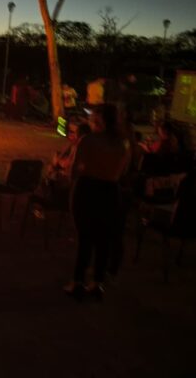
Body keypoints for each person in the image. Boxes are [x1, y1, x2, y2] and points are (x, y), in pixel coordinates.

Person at [65, 103, 130, 300]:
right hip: (111, 191)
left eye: (93, 115)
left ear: (99, 118)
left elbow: (74, 170)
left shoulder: (88, 140)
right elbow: (124, 172)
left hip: (88, 188)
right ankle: (97, 284)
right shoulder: (123, 143)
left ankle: (77, 282)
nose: (90, 119)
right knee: (104, 239)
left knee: (85, 237)